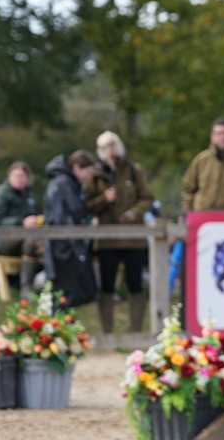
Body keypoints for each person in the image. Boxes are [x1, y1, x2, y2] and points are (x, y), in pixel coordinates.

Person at [86, 131, 155, 333]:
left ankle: (136, 331)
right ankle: (107, 332)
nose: (111, 151)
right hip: (106, 240)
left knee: (135, 284)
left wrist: (134, 213)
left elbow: (147, 198)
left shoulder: (134, 171)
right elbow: (87, 205)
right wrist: (104, 200)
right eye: (106, 148)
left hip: (133, 239)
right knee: (106, 285)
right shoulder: (95, 175)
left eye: (113, 146)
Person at [42, 150, 98, 309]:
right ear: (77, 167)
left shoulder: (67, 183)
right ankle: (60, 321)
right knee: (65, 292)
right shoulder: (64, 184)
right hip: (63, 245)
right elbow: (71, 212)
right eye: (88, 172)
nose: (89, 176)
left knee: (68, 292)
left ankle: (64, 321)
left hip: (63, 242)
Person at [0, 161, 44, 298]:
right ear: (9, 176)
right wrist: (21, 222)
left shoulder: (28, 195)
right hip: (3, 239)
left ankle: (26, 287)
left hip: (25, 237)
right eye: (16, 176)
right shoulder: (2, 194)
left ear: (28, 178)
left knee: (41, 243)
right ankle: (26, 289)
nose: (19, 179)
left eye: (22, 176)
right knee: (32, 242)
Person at [182, 117, 224, 211]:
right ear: (212, 136)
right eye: (219, 133)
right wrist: (186, 212)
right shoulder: (201, 159)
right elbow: (188, 188)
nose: (223, 137)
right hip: (201, 214)